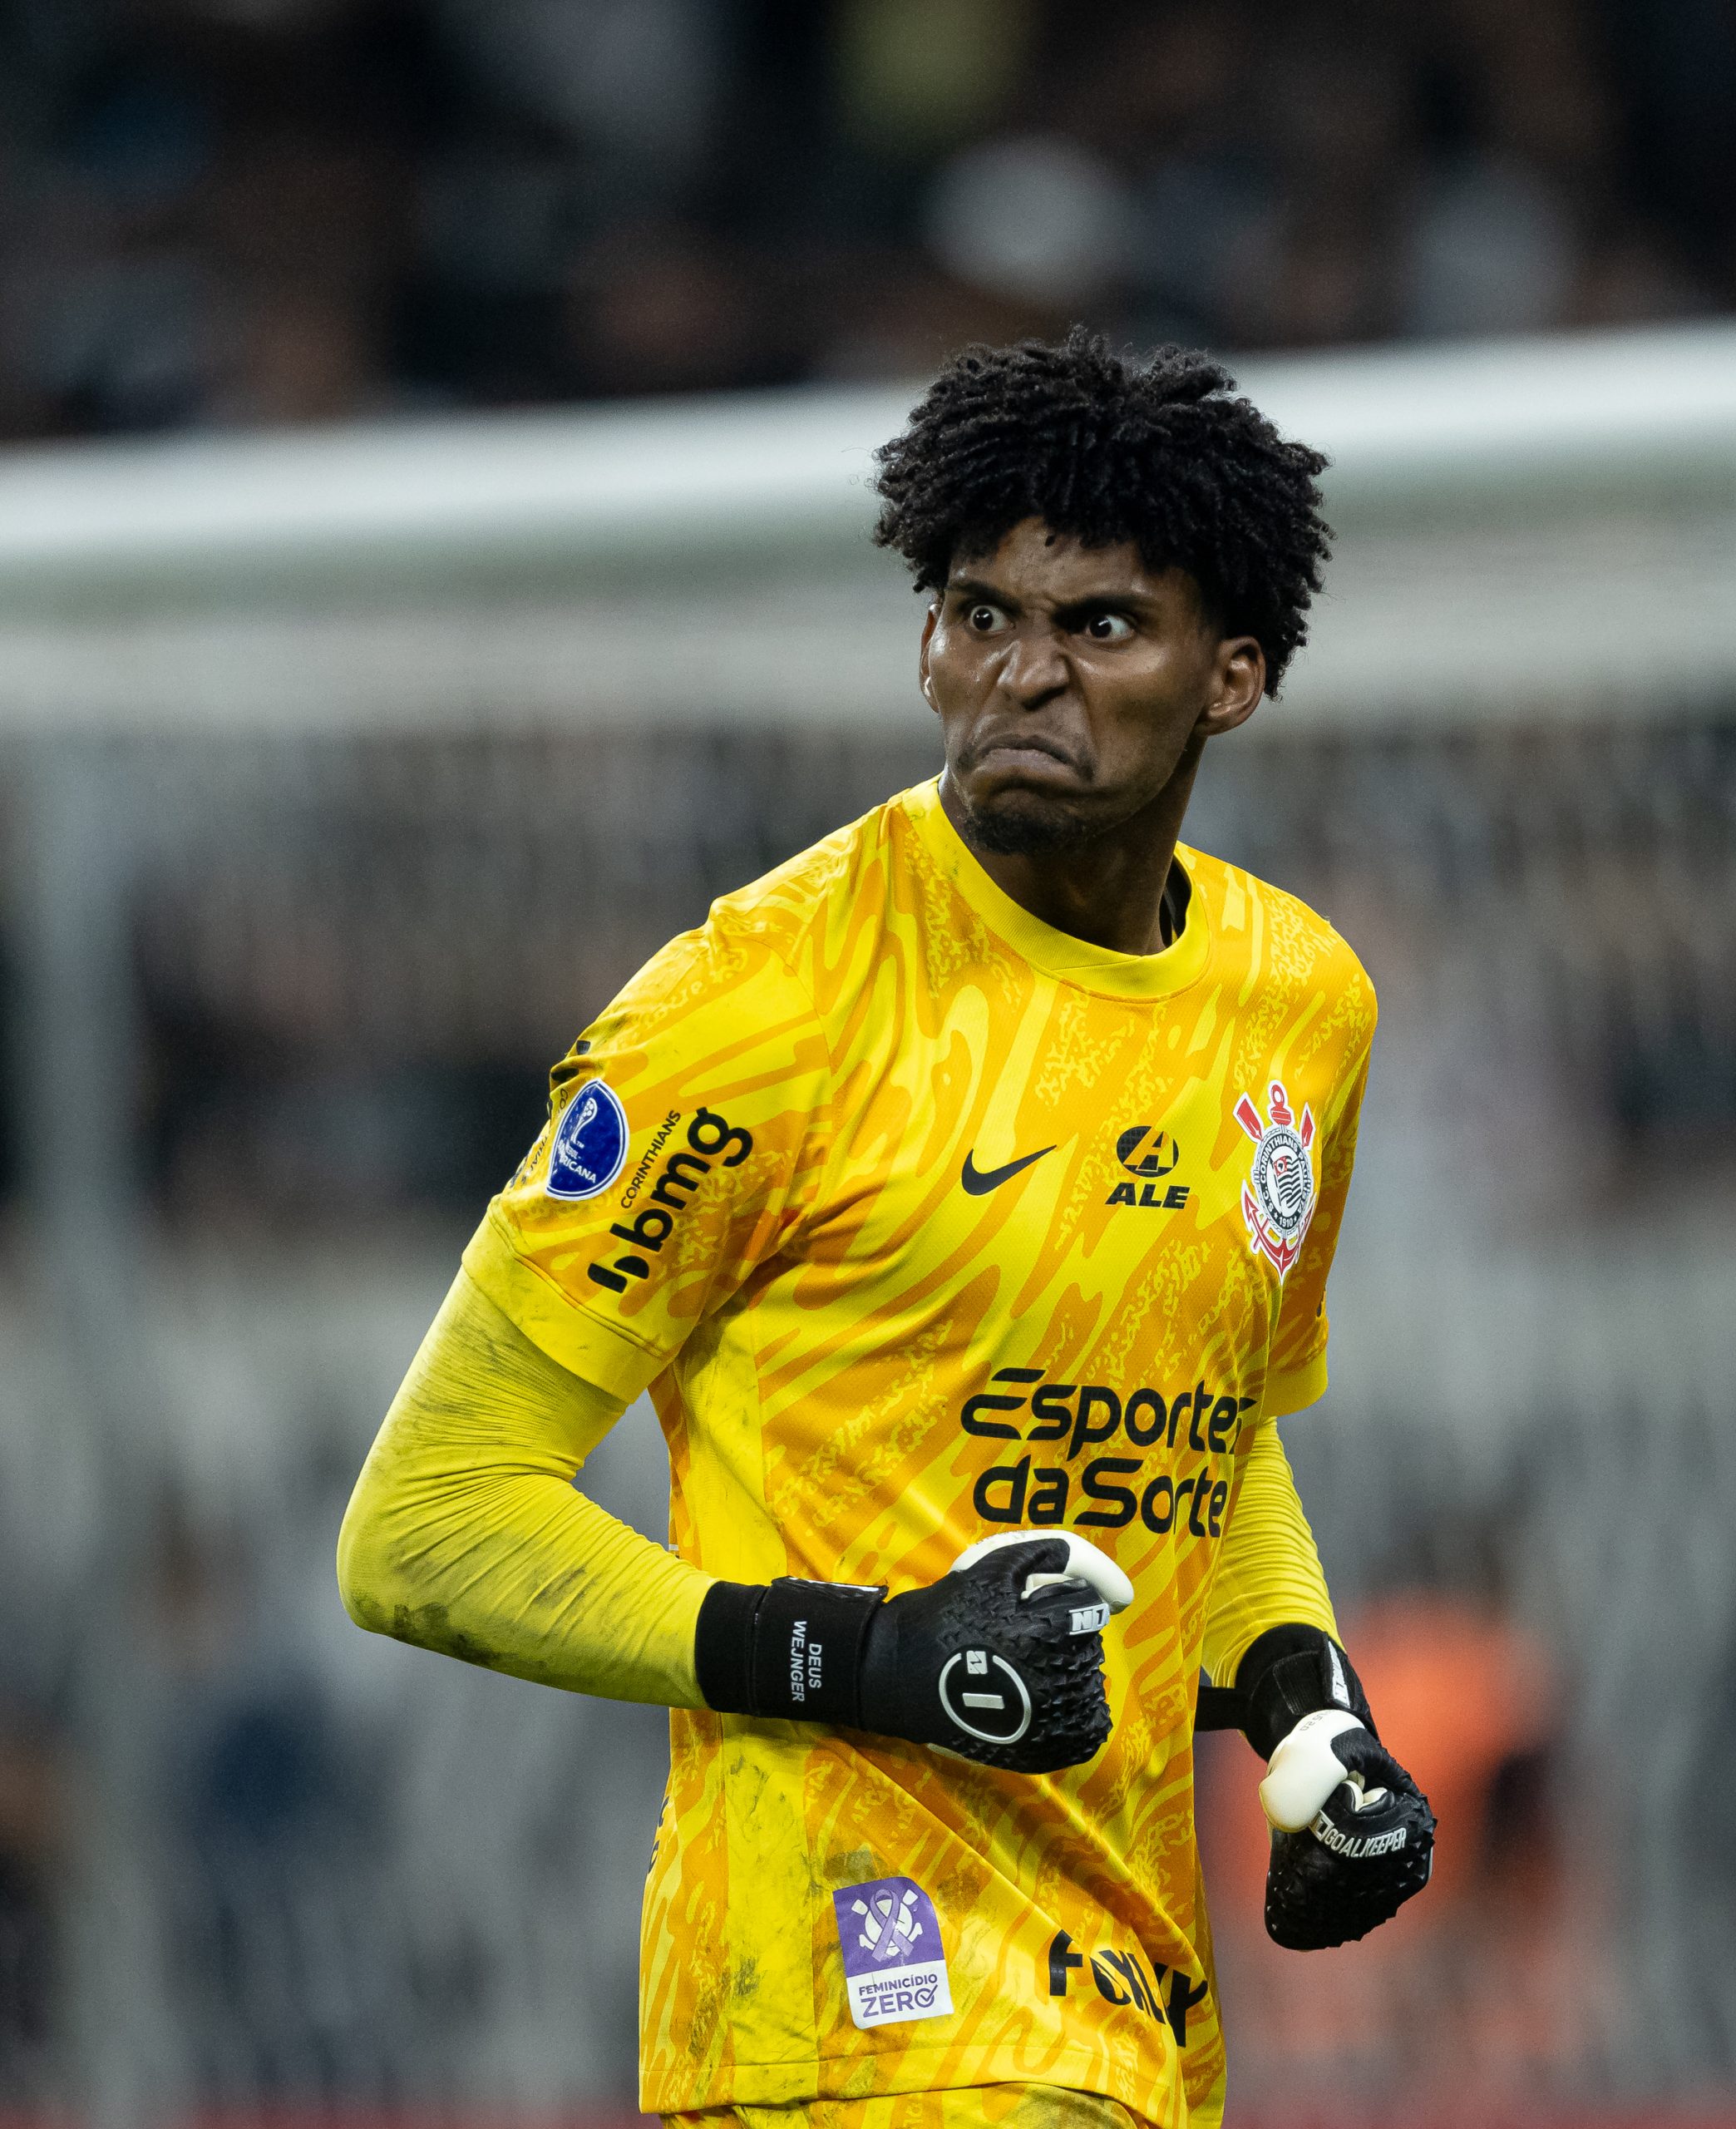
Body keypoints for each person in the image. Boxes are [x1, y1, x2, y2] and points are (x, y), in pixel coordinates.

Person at [337, 328, 1433, 2129]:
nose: (1022, 674)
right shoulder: (760, 1001)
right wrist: (869, 1654)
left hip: (1130, 1992)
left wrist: (1313, 1723)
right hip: (846, 1992)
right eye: (977, 612)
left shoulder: (1297, 998)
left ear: (1230, 676)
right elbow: (422, 1525)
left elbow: (1200, 1423)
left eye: (1099, 628)